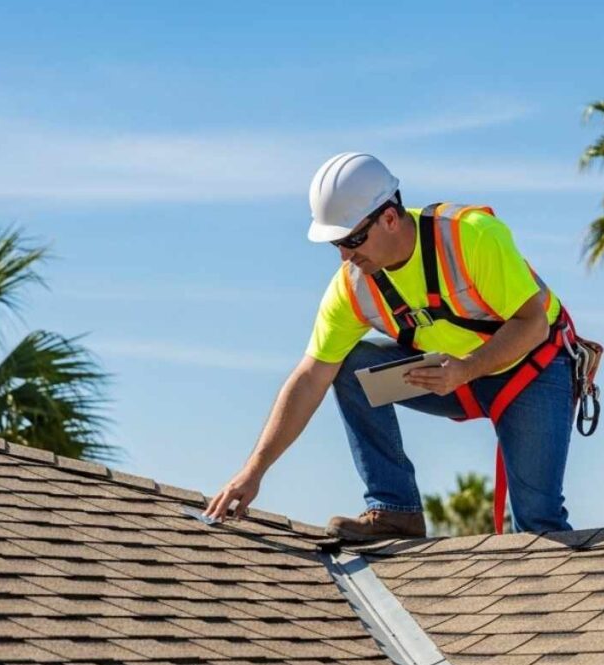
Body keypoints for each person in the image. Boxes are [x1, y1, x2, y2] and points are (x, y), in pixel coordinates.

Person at [205, 152, 578, 540]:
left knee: (539, 526)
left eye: (352, 239)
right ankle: (395, 511)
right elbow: (311, 376)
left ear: (388, 217)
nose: (346, 255)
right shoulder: (352, 286)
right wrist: (254, 471)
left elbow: (533, 324)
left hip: (531, 370)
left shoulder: (472, 237)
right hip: (452, 377)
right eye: (336, 243)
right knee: (346, 364)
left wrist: (465, 369)